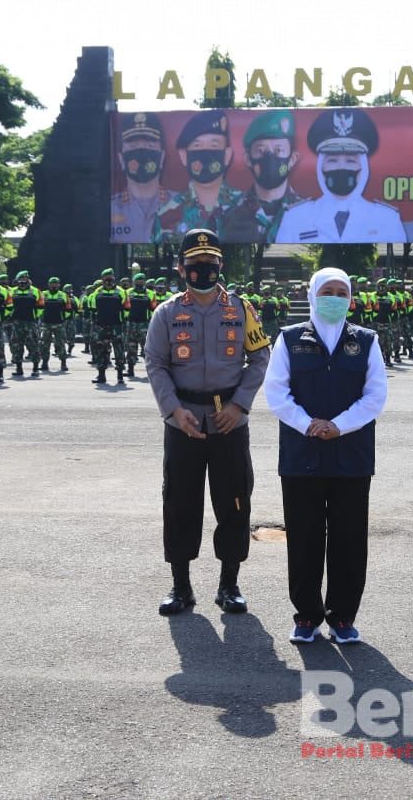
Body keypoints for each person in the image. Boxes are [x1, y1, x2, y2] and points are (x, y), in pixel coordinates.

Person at [144, 229, 270, 616]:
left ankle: (229, 584)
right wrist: (172, 411)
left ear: (221, 265)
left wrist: (240, 406)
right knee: (180, 501)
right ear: (182, 268)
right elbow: (156, 363)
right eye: (195, 265)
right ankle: (181, 587)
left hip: (228, 420)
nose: (203, 271)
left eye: (210, 264)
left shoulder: (241, 309)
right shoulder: (167, 312)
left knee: (234, 501)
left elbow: (260, 358)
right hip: (183, 421)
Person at [263, 267, 387, 644]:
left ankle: (343, 617)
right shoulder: (288, 338)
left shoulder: (366, 340)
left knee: (350, 538)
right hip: (302, 455)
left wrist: (339, 425)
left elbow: (375, 395)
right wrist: (308, 424)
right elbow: (276, 392)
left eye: (341, 292)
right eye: (327, 291)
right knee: (304, 537)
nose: (334, 298)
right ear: (313, 294)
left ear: (351, 298)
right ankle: (306, 616)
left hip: (351, 455)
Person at [275, 109, 406, 243]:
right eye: (332, 160)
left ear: (363, 168)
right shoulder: (295, 217)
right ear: (321, 167)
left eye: (350, 161)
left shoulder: (387, 219)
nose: (341, 167)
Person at [221, 109, 305, 244]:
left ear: (292, 159)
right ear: (248, 159)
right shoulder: (226, 214)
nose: (270, 157)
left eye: (279, 150)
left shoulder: (309, 212)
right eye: (261, 150)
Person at [159, 111, 241, 236]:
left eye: (214, 145)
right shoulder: (167, 213)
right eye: (197, 146)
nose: (205, 153)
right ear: (184, 156)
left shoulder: (245, 206)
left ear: (227, 155)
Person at [111, 112, 172, 245]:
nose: (142, 151)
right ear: (121, 159)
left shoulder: (180, 205)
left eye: (150, 146)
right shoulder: (111, 208)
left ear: (161, 158)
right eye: (133, 147)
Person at [89, 269, 129, 385]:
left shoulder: (121, 292)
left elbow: (127, 308)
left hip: (116, 326)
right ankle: (101, 375)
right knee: (101, 351)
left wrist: (120, 320)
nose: (108, 279)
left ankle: (120, 376)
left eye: (110, 277)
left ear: (114, 278)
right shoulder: (97, 292)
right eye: (106, 277)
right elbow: (92, 308)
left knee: (119, 351)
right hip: (101, 326)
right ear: (102, 279)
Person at [8, 270, 44, 378]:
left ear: (28, 279)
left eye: (24, 279)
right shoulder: (12, 291)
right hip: (17, 322)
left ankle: (35, 368)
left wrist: (34, 316)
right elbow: (9, 306)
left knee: (33, 345)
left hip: (30, 322)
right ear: (17, 280)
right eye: (21, 279)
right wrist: (11, 316)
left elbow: (41, 306)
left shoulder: (36, 291)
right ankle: (19, 368)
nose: (23, 281)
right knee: (17, 345)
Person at [124, 273, 156, 377]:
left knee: (147, 349)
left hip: (144, 325)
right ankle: (130, 369)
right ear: (134, 282)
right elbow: (124, 307)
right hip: (131, 324)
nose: (140, 282)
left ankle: (151, 371)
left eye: (142, 280)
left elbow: (153, 309)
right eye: (138, 280)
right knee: (131, 347)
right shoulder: (127, 293)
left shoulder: (151, 294)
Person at [39, 277, 74, 372]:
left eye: (56, 283)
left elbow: (68, 309)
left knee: (61, 344)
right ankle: (44, 363)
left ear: (59, 285)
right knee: (44, 344)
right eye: (52, 283)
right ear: (48, 284)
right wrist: (42, 317)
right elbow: (39, 307)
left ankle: (63, 363)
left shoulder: (63, 295)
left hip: (59, 324)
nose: (54, 285)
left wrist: (62, 318)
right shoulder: (43, 294)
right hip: (46, 324)